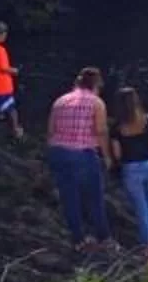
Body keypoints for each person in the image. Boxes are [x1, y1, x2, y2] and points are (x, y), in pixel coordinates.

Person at [44, 67, 114, 249]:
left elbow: (51, 130)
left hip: (58, 151)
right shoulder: (96, 103)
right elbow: (101, 131)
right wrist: (106, 156)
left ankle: (78, 239)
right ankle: (104, 237)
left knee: (69, 197)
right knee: (94, 197)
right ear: (96, 85)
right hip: (83, 153)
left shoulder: (60, 101)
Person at [109, 86, 148, 256]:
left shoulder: (117, 127)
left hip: (131, 168)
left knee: (140, 207)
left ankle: (146, 247)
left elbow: (117, 155)